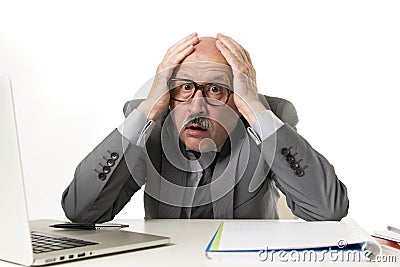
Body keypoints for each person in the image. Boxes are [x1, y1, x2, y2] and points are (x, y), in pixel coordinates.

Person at [62, 33, 349, 222]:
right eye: (185, 87)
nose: (197, 106)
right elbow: (81, 211)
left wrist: (255, 109)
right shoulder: (151, 124)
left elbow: (327, 210)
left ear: (237, 96)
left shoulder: (267, 119)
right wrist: (148, 109)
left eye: (216, 88)